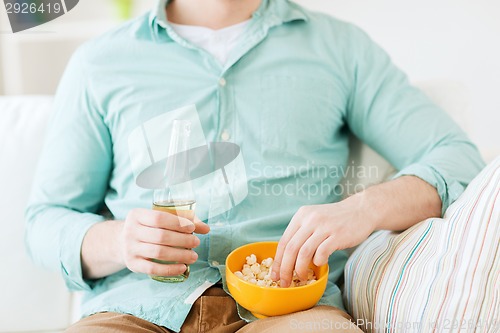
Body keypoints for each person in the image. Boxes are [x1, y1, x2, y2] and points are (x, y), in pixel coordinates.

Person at [25, 0, 485, 332]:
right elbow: (45, 220)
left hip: (295, 314)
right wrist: (117, 241)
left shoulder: (340, 48)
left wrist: (363, 210)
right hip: (134, 313)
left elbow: (457, 157)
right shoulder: (99, 63)